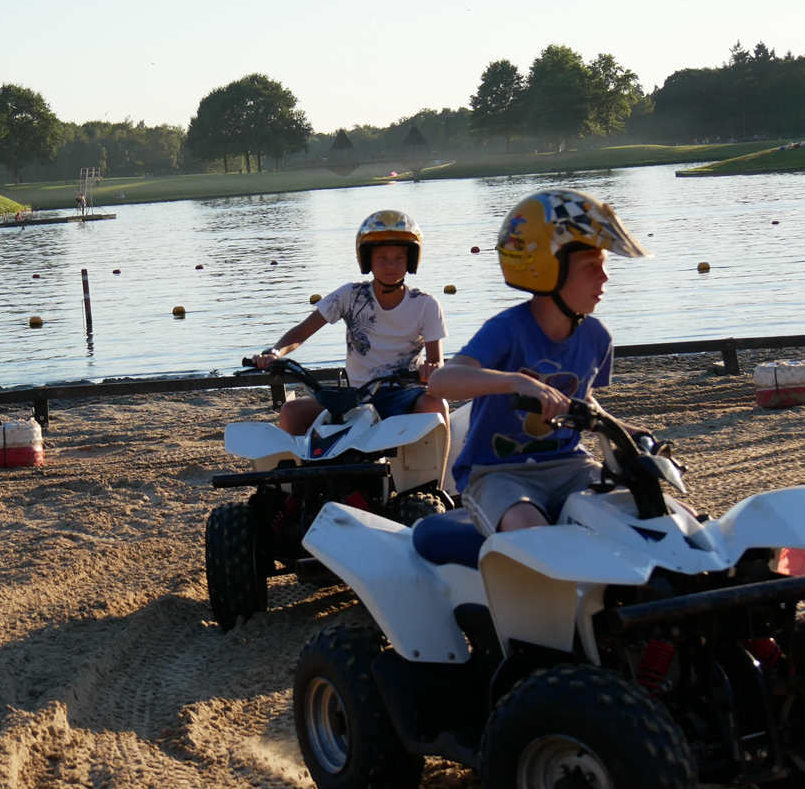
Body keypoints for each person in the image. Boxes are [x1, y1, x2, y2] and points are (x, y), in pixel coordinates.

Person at [428, 189, 652, 537]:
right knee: (531, 530)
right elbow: (442, 382)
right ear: (547, 268)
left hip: (571, 466)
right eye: (591, 267)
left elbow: (579, 399)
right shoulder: (506, 330)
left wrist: (620, 428)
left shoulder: (597, 337)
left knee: (643, 512)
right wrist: (513, 381)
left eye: (604, 265)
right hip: (497, 473)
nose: (605, 278)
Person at [253, 209, 449, 436]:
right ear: (368, 260)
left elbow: (437, 364)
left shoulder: (426, 304)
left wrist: (430, 370)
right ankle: (297, 471)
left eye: (399, 258)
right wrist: (274, 353)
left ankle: (443, 470)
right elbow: (303, 331)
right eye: (382, 258)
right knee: (291, 412)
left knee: (436, 405)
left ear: (411, 260)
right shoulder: (350, 295)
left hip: (407, 394)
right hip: (357, 396)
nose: (390, 265)